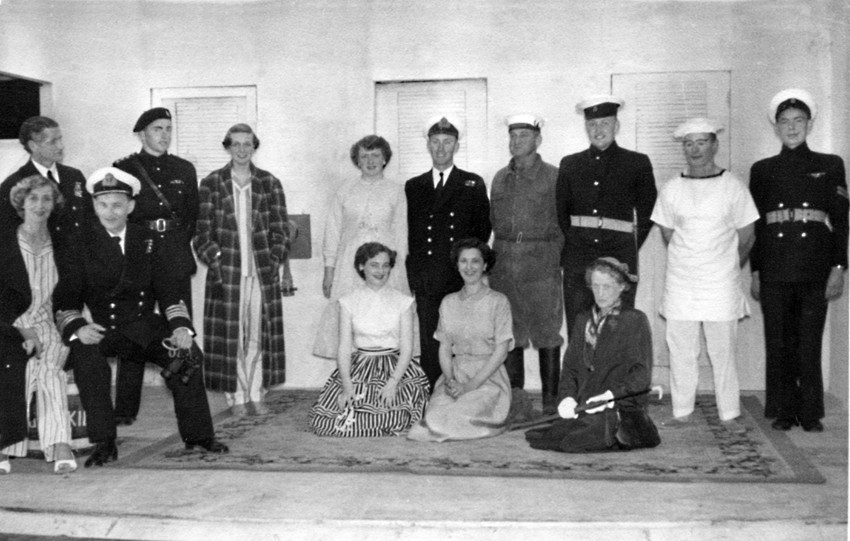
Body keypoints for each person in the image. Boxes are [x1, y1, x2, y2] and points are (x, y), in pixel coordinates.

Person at [53, 167, 227, 467]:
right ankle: (105, 442)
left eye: (118, 204)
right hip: (102, 329)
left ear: (131, 206)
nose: (110, 211)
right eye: (103, 204)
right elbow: (65, 300)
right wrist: (78, 327)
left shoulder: (149, 239)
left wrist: (182, 327)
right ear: (94, 205)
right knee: (88, 361)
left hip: (145, 326)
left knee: (187, 357)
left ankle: (198, 435)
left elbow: (170, 291)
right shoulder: (80, 243)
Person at [651, 118, 759, 432]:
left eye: (701, 142)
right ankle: (682, 410)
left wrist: (725, 266)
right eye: (689, 143)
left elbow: (748, 234)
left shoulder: (733, 186)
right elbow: (668, 233)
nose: (695, 149)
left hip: (720, 284)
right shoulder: (672, 188)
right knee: (682, 349)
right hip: (682, 283)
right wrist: (693, 261)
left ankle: (729, 412)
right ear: (683, 148)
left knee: (722, 350)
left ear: (714, 145)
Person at [749, 89, 848, 433]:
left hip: (814, 263)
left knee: (809, 339)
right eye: (785, 122)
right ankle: (782, 410)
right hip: (775, 262)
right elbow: (757, 224)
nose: (792, 128)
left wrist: (839, 267)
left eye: (798, 121)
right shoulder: (762, 170)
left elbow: (841, 221)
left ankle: (810, 412)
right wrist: (756, 270)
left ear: (810, 124)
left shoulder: (830, 165)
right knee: (778, 340)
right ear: (776, 128)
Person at [111, 107, 199, 426]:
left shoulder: (184, 169)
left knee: (181, 327)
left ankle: (188, 404)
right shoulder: (123, 169)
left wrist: (172, 241)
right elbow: (118, 215)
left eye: (168, 129)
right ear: (142, 134)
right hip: (138, 256)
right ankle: (124, 409)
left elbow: (191, 215)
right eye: (158, 129)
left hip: (174, 253)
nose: (164, 135)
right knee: (133, 328)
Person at [193, 124, 288, 416]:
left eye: (248, 144)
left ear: (254, 146)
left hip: (262, 272)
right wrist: (217, 259)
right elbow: (201, 235)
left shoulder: (270, 183)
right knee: (230, 336)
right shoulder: (211, 183)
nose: (242, 150)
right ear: (228, 147)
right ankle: (236, 397)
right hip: (227, 273)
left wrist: (273, 259)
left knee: (258, 335)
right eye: (236, 144)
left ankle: (256, 393)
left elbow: (282, 229)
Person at [525, 258, 660, 453]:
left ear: (622, 287)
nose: (600, 293)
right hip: (586, 406)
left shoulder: (634, 320)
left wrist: (611, 396)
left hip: (620, 407)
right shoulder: (583, 320)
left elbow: (640, 376)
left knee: (572, 442)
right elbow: (570, 367)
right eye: (596, 286)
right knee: (545, 438)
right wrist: (567, 398)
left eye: (607, 286)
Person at [556, 95, 657, 336]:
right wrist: (575, 245)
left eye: (604, 123)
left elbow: (648, 213)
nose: (598, 129)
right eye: (592, 124)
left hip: (619, 254)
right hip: (578, 255)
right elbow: (561, 213)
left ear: (616, 126)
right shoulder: (571, 164)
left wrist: (628, 247)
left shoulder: (636, 163)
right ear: (585, 127)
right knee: (580, 326)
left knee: (617, 328)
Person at [405, 116, 491, 390]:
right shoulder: (413, 186)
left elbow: (482, 230)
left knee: (461, 338)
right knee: (430, 340)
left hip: (459, 276)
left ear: (456, 145)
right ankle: (431, 394)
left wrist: (469, 269)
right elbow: (410, 234)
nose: (441, 148)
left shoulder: (472, 183)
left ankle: (461, 391)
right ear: (428, 145)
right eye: (436, 142)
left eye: (448, 142)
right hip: (427, 276)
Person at [309, 242, 429, 436]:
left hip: (395, 368)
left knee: (394, 414)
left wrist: (392, 383)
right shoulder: (348, 302)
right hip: (361, 366)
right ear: (361, 266)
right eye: (374, 264)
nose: (381, 270)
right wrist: (347, 385)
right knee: (329, 420)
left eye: (385, 265)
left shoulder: (403, 302)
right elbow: (344, 348)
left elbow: (407, 349)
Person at [0, 175, 77, 474]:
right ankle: (9, 444)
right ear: (21, 203)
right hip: (9, 326)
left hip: (48, 324)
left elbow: (68, 292)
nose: (41, 205)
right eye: (34, 199)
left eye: (47, 199)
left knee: (48, 369)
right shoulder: (5, 242)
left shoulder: (61, 243)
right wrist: (20, 329)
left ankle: (58, 445)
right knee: (21, 367)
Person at [489, 114, 564, 415]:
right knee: (511, 333)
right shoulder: (499, 178)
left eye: (523, 136)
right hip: (505, 263)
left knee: (547, 332)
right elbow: (494, 220)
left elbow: (563, 223)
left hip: (541, 263)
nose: (516, 141)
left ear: (538, 140)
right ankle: (517, 402)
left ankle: (550, 403)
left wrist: (551, 259)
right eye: (513, 136)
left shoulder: (554, 176)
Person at [407, 238, 513, 442]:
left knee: (462, 413)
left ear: (485, 265)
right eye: (463, 261)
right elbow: (445, 348)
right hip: (455, 376)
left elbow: (501, 352)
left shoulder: (498, 302)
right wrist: (449, 380)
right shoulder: (448, 302)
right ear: (457, 265)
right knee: (432, 416)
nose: (469, 267)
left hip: (487, 378)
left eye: (475, 261)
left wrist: (471, 386)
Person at [313, 135, 409, 359]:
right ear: (357, 160)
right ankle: (352, 380)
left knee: (385, 319)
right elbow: (333, 231)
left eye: (376, 155)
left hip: (385, 266)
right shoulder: (345, 190)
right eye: (364, 156)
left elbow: (401, 233)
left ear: (385, 158)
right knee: (351, 319)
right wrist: (329, 270)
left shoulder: (396, 191)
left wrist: (400, 270)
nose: (370, 161)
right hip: (349, 267)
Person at [0, 116, 93, 241]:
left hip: (78, 257)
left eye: (60, 139)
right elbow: (8, 235)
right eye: (53, 142)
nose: (61, 146)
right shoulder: (14, 184)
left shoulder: (74, 176)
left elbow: (90, 220)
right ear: (33, 146)